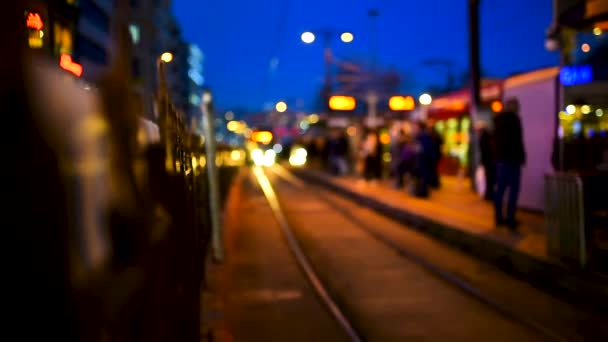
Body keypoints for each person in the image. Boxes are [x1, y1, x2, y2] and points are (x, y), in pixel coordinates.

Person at [493, 98, 526, 230]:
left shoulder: (498, 120)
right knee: (513, 190)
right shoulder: (515, 120)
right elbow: (518, 141)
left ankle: (499, 217)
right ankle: (510, 218)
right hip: (512, 159)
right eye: (517, 105)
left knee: (500, 190)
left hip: (501, 159)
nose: (519, 107)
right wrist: (522, 157)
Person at [478, 121, 496, 201]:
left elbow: (485, 150)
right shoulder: (487, 136)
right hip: (489, 161)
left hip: (488, 161)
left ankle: (489, 194)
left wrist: (483, 160)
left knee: (489, 178)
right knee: (489, 178)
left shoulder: (484, 136)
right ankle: (489, 194)